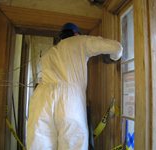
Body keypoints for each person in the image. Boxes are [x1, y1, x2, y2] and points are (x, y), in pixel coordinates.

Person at [27, 22, 123, 150]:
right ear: (76, 34)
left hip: (42, 98)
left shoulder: (49, 52)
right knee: (73, 143)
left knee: (39, 143)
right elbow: (116, 47)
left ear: (61, 37)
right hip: (69, 101)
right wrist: (112, 58)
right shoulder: (81, 41)